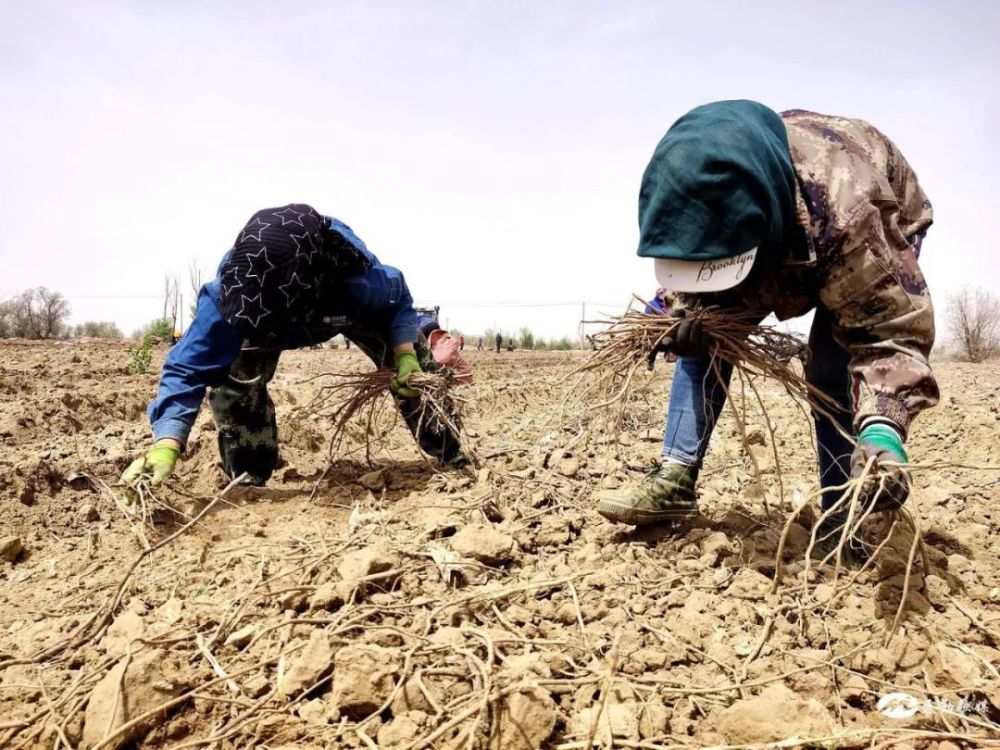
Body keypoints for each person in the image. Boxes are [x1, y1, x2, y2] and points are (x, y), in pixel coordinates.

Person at [598, 101, 937, 556]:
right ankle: (676, 478)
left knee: (828, 370)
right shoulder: (706, 186)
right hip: (773, 227)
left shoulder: (851, 216)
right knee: (705, 333)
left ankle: (841, 512)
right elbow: (696, 256)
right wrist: (675, 314)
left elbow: (888, 332)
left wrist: (883, 427)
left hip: (861, 227)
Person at [122, 204, 468, 490]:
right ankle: (247, 477)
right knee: (235, 377)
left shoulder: (359, 282)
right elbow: (185, 367)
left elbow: (399, 299)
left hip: (334, 306)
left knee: (417, 375)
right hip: (267, 313)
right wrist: (167, 443)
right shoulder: (230, 296)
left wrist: (405, 354)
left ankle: (454, 454)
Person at [644, 287, 677, 371]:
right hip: (655, 329)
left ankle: (670, 355)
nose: (662, 295)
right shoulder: (652, 303)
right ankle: (651, 361)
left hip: (669, 330)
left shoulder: (670, 306)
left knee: (670, 340)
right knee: (656, 344)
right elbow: (649, 315)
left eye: (664, 293)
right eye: (660, 293)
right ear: (657, 295)